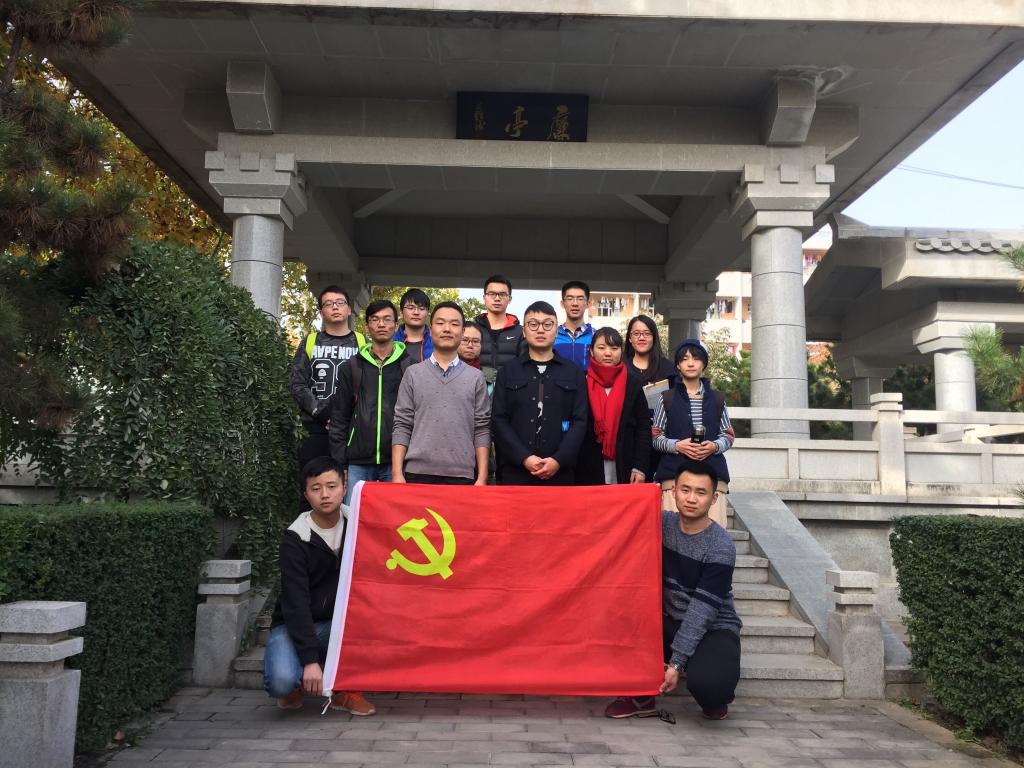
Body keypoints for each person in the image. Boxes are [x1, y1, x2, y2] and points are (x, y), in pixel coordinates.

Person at [605, 461, 741, 720]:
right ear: (674, 491)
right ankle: (640, 696)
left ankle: (715, 686)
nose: (691, 499)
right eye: (685, 490)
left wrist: (677, 661)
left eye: (700, 492)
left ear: (713, 499)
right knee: (617, 612)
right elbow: (619, 514)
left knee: (711, 688)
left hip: (713, 626)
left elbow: (702, 612)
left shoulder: (720, 546)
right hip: (667, 621)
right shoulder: (660, 524)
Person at [264, 456, 375, 716]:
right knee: (281, 681)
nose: (325, 494)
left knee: (372, 624)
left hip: (340, 624)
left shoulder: (359, 526)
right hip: (295, 624)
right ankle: (295, 681)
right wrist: (310, 661)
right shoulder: (295, 538)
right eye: (316, 488)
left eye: (331, 486)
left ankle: (345, 691)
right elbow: (296, 603)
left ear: (344, 486)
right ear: (306, 494)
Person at [392, 302, 491, 485]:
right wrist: (397, 473)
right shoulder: (413, 373)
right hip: (416, 474)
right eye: (440, 323)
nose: (447, 329)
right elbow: (402, 424)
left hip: (462, 475)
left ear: (462, 332)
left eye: (454, 324)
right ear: (431, 330)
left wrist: (482, 477)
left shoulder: (476, 377)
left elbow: (482, 428)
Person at [491, 301, 588, 485]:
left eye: (547, 324)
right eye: (533, 324)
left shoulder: (574, 373)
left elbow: (580, 421)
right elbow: (499, 420)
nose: (541, 330)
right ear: (524, 331)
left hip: (561, 473)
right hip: (515, 473)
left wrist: (558, 460)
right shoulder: (508, 372)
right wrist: (524, 458)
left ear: (556, 330)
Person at [329, 299, 413, 503]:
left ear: (396, 325)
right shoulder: (352, 366)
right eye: (375, 319)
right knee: (354, 515)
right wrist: (341, 463)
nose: (381, 324)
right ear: (367, 326)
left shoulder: (410, 366)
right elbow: (339, 417)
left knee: (394, 518)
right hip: (357, 462)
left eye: (387, 319)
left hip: (396, 462)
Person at [289, 286, 366, 506]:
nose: (335, 307)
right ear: (321, 312)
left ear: (349, 309)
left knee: (347, 492)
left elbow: (367, 387)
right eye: (328, 304)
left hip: (349, 431)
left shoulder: (362, 343)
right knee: (313, 488)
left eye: (340, 303)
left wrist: (342, 419)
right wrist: (321, 413)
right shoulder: (310, 341)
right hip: (314, 428)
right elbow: (297, 383)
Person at [652, 339, 734, 527]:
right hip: (674, 477)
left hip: (713, 477)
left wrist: (714, 446)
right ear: (678, 365)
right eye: (685, 359)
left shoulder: (717, 399)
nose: (690, 363)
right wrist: (677, 445)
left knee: (713, 535)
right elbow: (655, 436)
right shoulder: (666, 398)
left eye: (696, 359)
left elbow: (728, 435)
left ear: (704, 363)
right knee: (673, 534)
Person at [575, 327, 652, 485]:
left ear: (621, 351)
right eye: (601, 348)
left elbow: (643, 428)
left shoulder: (633, 383)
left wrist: (640, 467)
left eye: (614, 348)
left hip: (626, 467)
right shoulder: (581, 382)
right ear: (591, 351)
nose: (608, 353)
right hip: (586, 468)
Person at [474, 274, 523, 382]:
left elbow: (525, 365)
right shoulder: (473, 330)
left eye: (502, 294)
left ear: (509, 299)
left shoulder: (521, 332)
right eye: (492, 294)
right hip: (477, 387)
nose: (497, 298)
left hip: (511, 388)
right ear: (484, 298)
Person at [553, 280, 594, 370]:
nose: (575, 303)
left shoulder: (595, 336)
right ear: (562, 304)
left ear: (588, 303)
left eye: (580, 299)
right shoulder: (552, 335)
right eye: (570, 298)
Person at [624, 314, 675, 386]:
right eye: (636, 333)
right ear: (630, 338)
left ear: (654, 337)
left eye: (647, 334)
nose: (641, 338)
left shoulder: (668, 368)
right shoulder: (621, 367)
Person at [393, 288, 433, 362]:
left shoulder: (436, 342)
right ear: (401, 312)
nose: (416, 312)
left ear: (427, 313)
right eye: (411, 308)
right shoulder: (391, 342)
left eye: (421, 308)